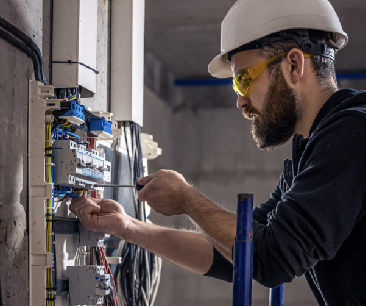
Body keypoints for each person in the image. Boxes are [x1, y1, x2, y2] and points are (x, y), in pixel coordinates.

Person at [70, 0, 366, 305]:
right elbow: (239, 253)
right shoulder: (312, 149)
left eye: (244, 80)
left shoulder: (353, 134)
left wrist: (187, 198)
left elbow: (272, 259)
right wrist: (129, 227)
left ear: (293, 65)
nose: (241, 101)